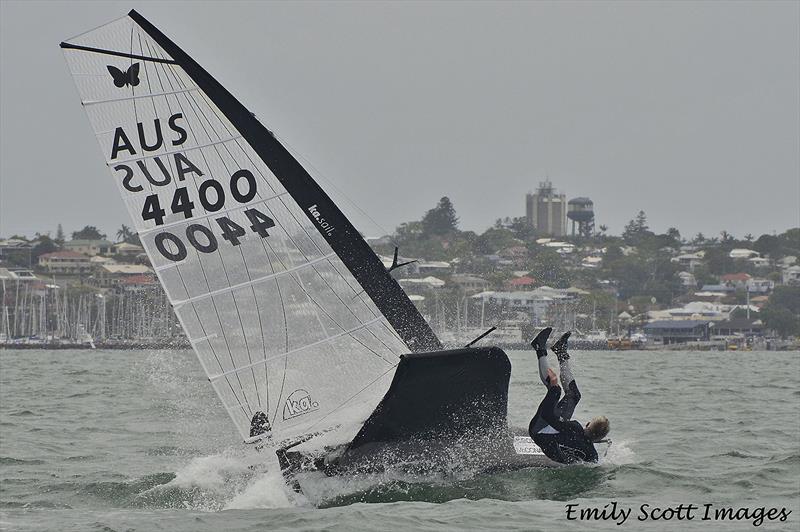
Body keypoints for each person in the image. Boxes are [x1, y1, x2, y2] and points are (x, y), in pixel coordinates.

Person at [528, 327, 609, 464]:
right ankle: (560, 351)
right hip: (557, 442)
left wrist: (553, 388)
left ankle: (539, 348)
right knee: (574, 395)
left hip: (538, 431)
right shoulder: (592, 455)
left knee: (555, 389)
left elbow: (547, 415)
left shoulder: (574, 428)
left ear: (587, 424)